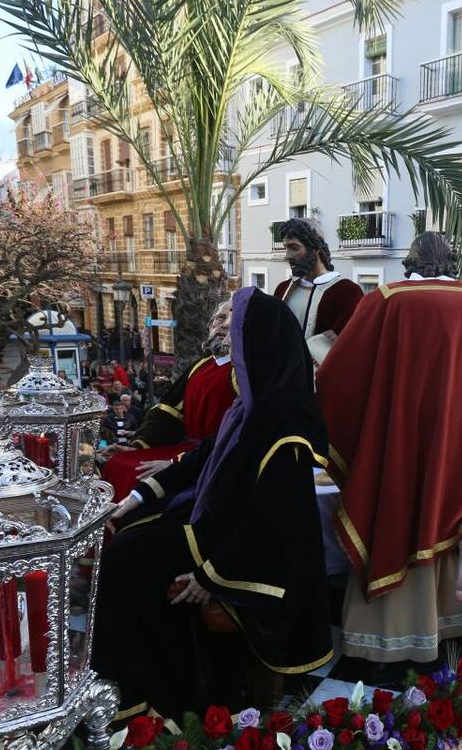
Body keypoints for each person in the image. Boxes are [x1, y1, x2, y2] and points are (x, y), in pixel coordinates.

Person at [94, 287, 333, 719]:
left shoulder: (285, 428)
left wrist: (212, 576)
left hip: (249, 555)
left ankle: (159, 696)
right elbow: (201, 459)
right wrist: (133, 498)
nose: (231, 349)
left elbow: (273, 525)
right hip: (219, 525)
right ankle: (139, 680)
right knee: (130, 531)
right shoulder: (249, 409)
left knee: (129, 558)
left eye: (237, 338)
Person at [318, 233, 462, 665]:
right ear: (452, 263)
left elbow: (336, 377)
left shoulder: (388, 300)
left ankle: (411, 630)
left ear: (411, 262)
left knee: (410, 503)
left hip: (410, 433)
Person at [101, 300, 238, 500]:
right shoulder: (201, 365)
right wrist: (139, 446)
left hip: (211, 456)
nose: (224, 325)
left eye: (233, 320)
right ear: (209, 325)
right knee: (118, 464)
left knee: (137, 480)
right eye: (220, 317)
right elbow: (167, 413)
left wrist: (177, 462)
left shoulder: (240, 371)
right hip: (186, 450)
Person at [272, 216, 364, 373]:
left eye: (294, 248)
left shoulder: (347, 292)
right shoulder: (283, 289)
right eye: (286, 248)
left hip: (322, 386)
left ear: (315, 248)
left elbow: (350, 346)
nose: (287, 255)